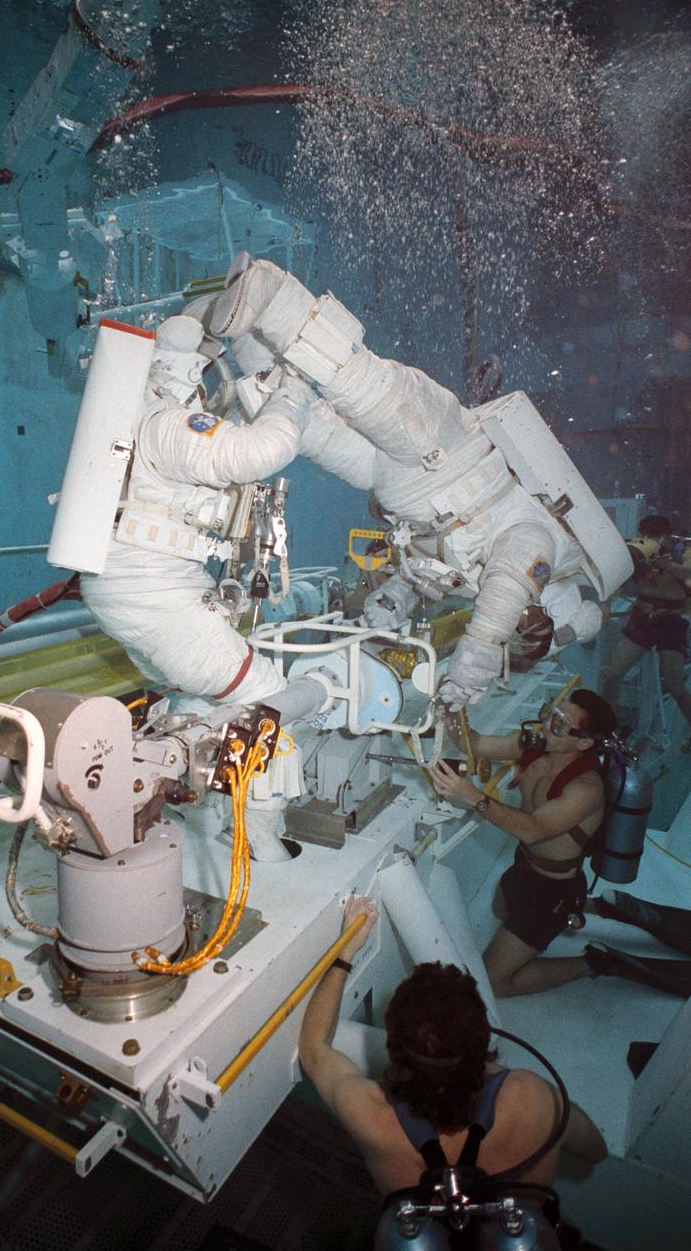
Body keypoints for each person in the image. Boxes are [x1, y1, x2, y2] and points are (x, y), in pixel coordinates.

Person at [210, 254, 629, 710]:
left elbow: (428, 574)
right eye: (533, 625)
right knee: (367, 389)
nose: (522, 624)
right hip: (452, 457)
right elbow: (511, 577)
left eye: (521, 634)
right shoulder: (544, 551)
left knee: (310, 429)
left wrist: (394, 598)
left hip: (401, 490)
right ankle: (271, 295)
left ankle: (245, 340)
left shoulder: (473, 579)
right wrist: (480, 653)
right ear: (548, 611)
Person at [80, 313, 311, 861]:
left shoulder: (138, 420)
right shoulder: (167, 425)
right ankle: (256, 839)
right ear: (188, 374)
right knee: (265, 696)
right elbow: (260, 452)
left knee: (200, 692)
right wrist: (293, 393)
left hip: (142, 585)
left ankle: (170, 787)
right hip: (151, 590)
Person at [298, 895, 607, 1201]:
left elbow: (313, 1049)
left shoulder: (369, 1115)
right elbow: (596, 1151)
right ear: (484, 1040)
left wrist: (346, 950)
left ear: (393, 1050)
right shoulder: (535, 1098)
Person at [429, 690, 617, 997]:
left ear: (584, 742)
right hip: (524, 865)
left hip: (553, 887)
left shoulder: (586, 788)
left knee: (491, 983)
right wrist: (450, 707)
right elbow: (473, 743)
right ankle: (584, 908)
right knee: (499, 909)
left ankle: (591, 963)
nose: (545, 728)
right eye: (549, 714)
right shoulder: (535, 746)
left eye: (558, 725)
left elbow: (534, 829)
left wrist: (472, 796)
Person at [603, 513, 691, 737]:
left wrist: (668, 565)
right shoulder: (637, 550)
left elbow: (689, 574)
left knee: (675, 686)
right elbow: (618, 580)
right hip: (643, 619)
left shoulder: (684, 552)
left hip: (670, 623)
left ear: (667, 536)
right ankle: (608, 728)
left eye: (655, 537)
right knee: (613, 675)